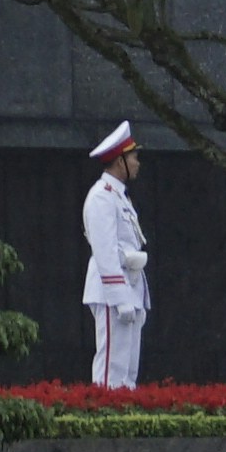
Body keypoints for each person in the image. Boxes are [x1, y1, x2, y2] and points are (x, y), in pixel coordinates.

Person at [80, 121, 153, 390]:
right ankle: (105, 416)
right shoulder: (102, 197)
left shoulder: (119, 197)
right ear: (119, 161)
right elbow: (105, 250)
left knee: (127, 370)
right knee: (112, 367)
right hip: (113, 293)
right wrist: (120, 297)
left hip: (130, 288)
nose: (137, 163)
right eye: (133, 157)